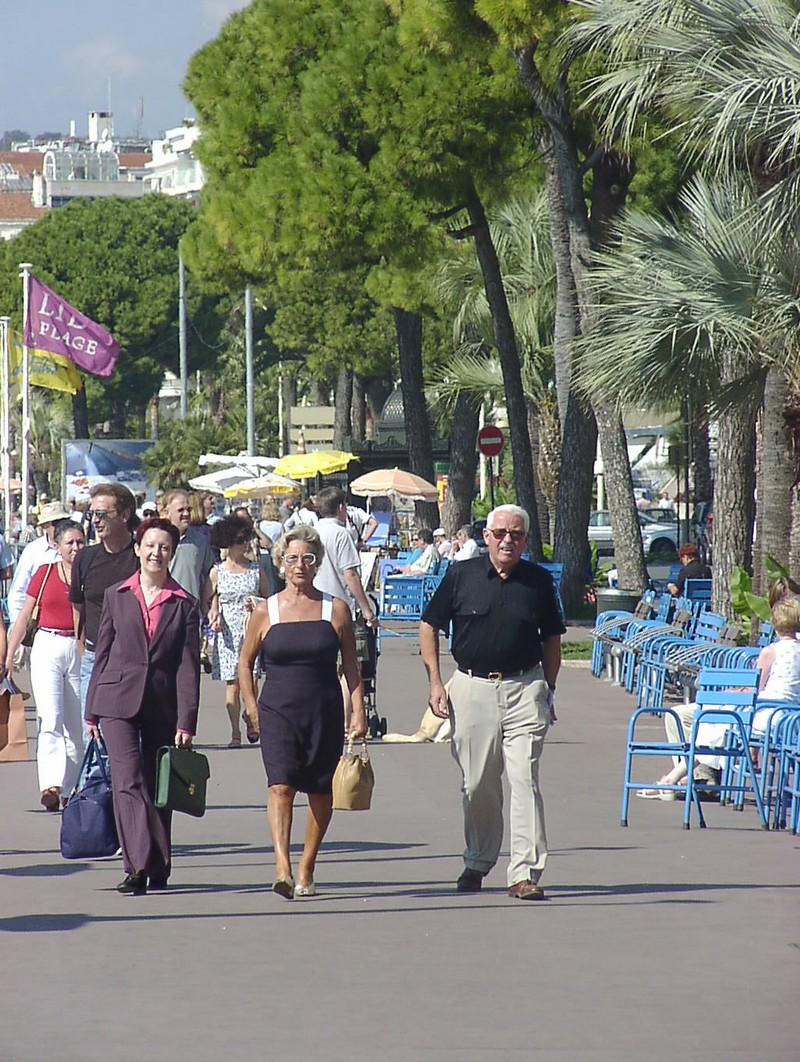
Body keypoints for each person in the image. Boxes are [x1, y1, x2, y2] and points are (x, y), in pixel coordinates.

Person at [419, 504, 566, 901]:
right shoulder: (461, 575)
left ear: (526, 540)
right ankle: (478, 859)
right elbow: (429, 625)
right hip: (471, 688)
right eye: (499, 532)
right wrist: (436, 682)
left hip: (524, 689)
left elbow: (552, 638)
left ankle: (524, 872)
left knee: (523, 779)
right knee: (478, 781)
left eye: (516, 535)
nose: (507, 540)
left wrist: (548, 689)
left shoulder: (537, 582)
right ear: (486, 536)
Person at [239, 526, 366, 899]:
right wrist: (250, 706)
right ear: (280, 562)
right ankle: (282, 867)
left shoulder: (335, 609)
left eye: (308, 559)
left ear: (318, 564)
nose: (300, 565)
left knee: (319, 791)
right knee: (280, 785)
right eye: (292, 558)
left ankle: (307, 864)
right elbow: (245, 663)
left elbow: (351, 665)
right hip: (277, 709)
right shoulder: (266, 610)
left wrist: (357, 712)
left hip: (324, 709)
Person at [85, 518, 200, 896]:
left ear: (172, 553)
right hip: (116, 698)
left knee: (157, 785)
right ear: (137, 549)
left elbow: (187, 667)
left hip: (161, 703)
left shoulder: (183, 604)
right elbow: (102, 652)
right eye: (149, 545)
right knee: (127, 780)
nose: (156, 553)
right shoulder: (118, 594)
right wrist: (91, 709)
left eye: (164, 547)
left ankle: (159, 862)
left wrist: (187, 720)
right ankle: (136, 865)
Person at [638, 595, 800, 799]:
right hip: (789, 716)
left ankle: (673, 780)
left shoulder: (771, 651)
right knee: (715, 726)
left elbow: (754, 687)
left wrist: (732, 693)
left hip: (764, 712)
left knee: (710, 724)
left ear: (775, 623)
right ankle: (678, 779)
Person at [6, 520, 85, 810]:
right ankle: (51, 785)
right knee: (50, 718)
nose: (75, 548)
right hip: (48, 645)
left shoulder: (89, 575)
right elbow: (24, 615)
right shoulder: (45, 572)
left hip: (78, 648)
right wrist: (10, 656)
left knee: (77, 725)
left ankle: (71, 787)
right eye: (70, 543)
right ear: (57, 546)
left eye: (80, 542)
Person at [69, 484, 139, 721]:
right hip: (95, 657)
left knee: (130, 739)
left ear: (124, 515)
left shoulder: (141, 556)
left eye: (101, 514)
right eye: (92, 514)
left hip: (134, 660)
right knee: (93, 736)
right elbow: (78, 608)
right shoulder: (85, 558)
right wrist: (83, 650)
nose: (95, 521)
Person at [208, 514, 270, 747]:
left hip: (250, 628)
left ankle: (250, 716)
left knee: (252, 681)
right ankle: (235, 732)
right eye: (239, 540)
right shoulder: (217, 571)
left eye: (246, 539)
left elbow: (266, 598)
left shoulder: (256, 569)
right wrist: (214, 609)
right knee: (232, 683)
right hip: (227, 633)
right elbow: (209, 597)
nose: (244, 544)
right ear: (228, 542)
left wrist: (255, 603)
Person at [161, 489, 214, 609]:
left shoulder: (201, 541)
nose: (186, 514)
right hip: (161, 609)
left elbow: (211, 575)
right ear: (166, 512)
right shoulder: (155, 541)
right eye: (180, 510)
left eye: (188, 509)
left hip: (191, 611)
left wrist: (211, 605)